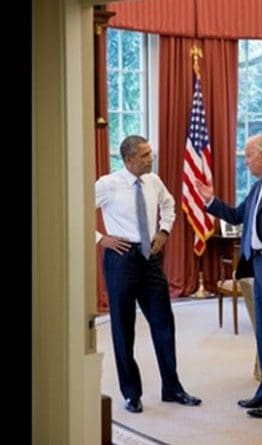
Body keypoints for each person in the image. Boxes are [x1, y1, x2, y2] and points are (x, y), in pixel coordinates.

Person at [196, 134, 262, 418]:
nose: (245, 161)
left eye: (249, 155)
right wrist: (211, 201)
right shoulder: (258, 187)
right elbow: (236, 215)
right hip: (258, 265)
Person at [96, 135, 201, 414]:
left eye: (150, 153)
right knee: (123, 327)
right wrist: (100, 238)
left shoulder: (154, 181)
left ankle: (172, 387)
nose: (150, 158)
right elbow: (76, 210)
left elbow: (169, 204)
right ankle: (131, 393)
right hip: (120, 259)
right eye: (144, 155)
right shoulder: (107, 184)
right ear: (129, 159)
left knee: (164, 323)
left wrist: (164, 230)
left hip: (151, 259)